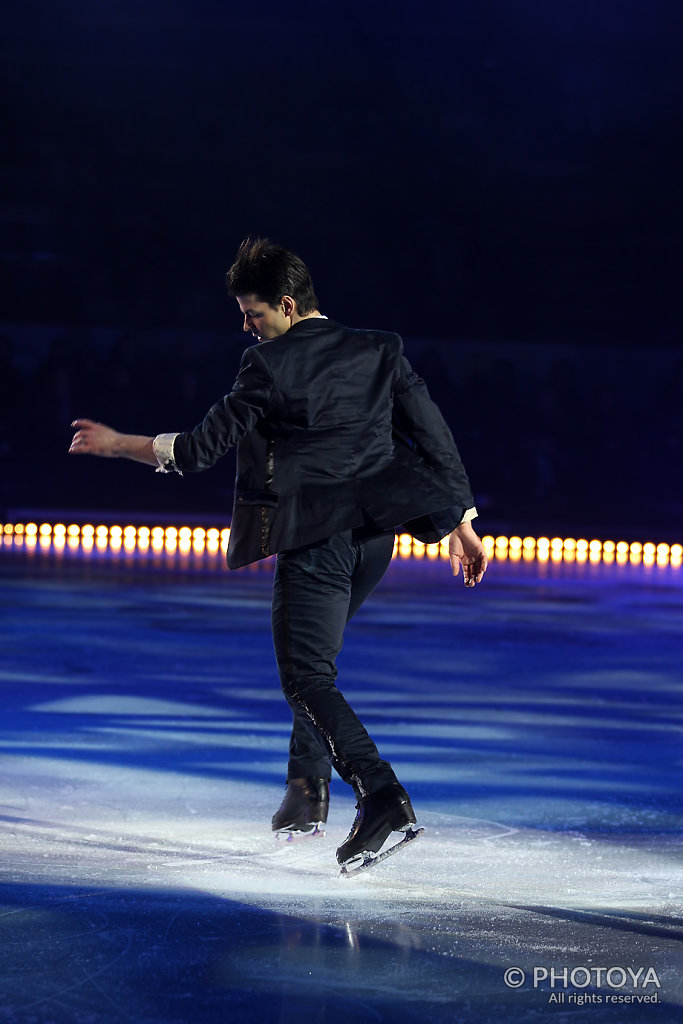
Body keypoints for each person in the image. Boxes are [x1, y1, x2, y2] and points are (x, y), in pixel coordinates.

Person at [69, 237, 487, 872]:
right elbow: (433, 434)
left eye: (253, 313)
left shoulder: (268, 366)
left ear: (287, 305)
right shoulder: (381, 348)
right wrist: (461, 520)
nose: (246, 326)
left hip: (316, 538)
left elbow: (200, 448)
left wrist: (119, 443)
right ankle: (306, 789)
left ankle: (380, 795)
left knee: (306, 676)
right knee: (313, 664)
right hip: (376, 539)